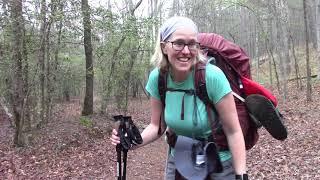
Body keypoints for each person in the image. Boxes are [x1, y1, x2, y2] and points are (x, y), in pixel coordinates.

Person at [110, 16, 247, 180]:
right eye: (179, 43)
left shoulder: (212, 77)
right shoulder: (158, 78)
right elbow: (157, 126)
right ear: (164, 47)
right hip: (179, 160)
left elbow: (233, 131)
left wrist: (241, 175)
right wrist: (131, 142)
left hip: (218, 163)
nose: (186, 51)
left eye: (192, 44)